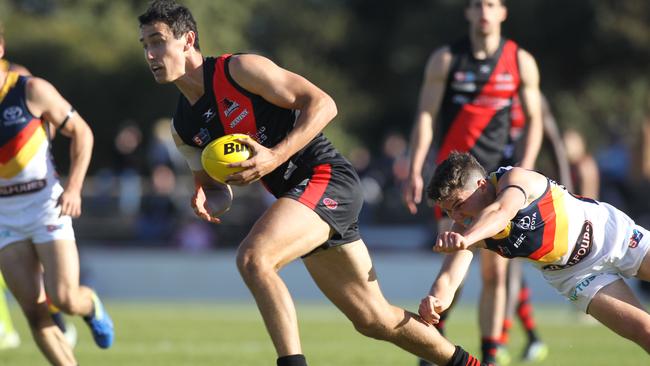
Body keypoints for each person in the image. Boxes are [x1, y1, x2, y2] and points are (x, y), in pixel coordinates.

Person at [138, 1, 491, 365]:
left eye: (157, 41)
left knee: (254, 258)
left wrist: (274, 156)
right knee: (374, 319)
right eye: (145, 45)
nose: (150, 54)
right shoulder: (183, 129)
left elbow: (324, 105)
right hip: (300, 200)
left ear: (187, 40)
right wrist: (211, 201)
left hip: (325, 177)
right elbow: (215, 189)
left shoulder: (238, 70)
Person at [403, 0, 543, 363]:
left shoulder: (520, 61)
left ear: (503, 12)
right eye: (477, 5)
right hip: (454, 185)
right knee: (456, 259)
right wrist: (416, 166)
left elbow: (534, 121)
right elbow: (426, 115)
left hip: (495, 183)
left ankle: (491, 353)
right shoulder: (446, 59)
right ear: (467, 13)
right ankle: (435, 339)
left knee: (496, 268)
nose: (484, 10)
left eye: (492, 4)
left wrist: (524, 172)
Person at [420, 151, 650, 357]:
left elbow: (502, 212)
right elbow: (449, 278)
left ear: (481, 185)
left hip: (609, 234)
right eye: (449, 211)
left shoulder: (515, 180)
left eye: (459, 205)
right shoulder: (465, 228)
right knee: (645, 331)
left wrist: (467, 239)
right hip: (575, 276)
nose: (456, 218)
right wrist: (435, 301)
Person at [0, 25, 113, 365]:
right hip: (5, 215)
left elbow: (82, 133)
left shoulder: (29, 90)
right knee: (34, 313)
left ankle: (89, 303)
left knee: (64, 298)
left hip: (45, 206)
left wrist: (75, 187)